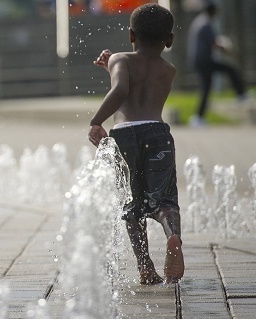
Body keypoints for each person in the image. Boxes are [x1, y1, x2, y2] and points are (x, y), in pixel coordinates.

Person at [88, 3, 184, 284]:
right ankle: (172, 234)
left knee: (133, 204)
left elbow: (122, 90)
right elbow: (141, 87)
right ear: (169, 40)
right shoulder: (169, 69)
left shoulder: (121, 59)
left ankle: (145, 267)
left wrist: (96, 121)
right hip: (157, 134)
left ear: (131, 35)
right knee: (164, 200)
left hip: (125, 136)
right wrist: (114, 67)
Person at [186, 2, 248, 127]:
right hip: (204, 60)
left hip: (201, 60)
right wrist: (231, 53)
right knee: (229, 70)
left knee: (207, 87)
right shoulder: (205, 24)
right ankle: (240, 95)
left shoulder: (199, 21)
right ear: (212, 12)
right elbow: (215, 43)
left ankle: (198, 118)